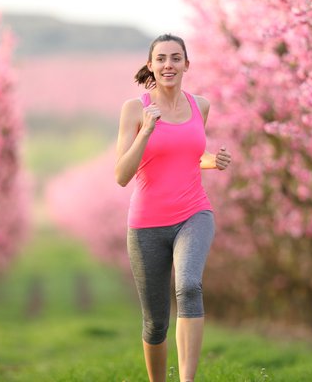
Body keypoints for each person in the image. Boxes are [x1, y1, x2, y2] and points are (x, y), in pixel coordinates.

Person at [115, 33, 231, 382]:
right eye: (162, 58)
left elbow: (188, 158)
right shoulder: (135, 109)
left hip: (194, 213)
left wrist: (213, 160)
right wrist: (146, 131)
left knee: (189, 286)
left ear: (186, 65)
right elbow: (122, 174)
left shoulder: (201, 106)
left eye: (176, 58)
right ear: (150, 65)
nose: (169, 64)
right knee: (155, 322)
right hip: (147, 224)